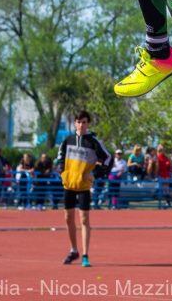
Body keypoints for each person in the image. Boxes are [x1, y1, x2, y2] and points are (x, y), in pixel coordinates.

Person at [56, 110, 111, 268]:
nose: (81, 125)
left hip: (84, 186)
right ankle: (74, 250)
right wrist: (62, 172)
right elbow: (60, 156)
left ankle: (85, 254)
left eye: (84, 122)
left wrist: (95, 173)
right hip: (69, 185)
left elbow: (108, 158)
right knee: (68, 218)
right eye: (79, 122)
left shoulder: (93, 142)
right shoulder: (68, 140)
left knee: (84, 219)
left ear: (88, 124)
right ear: (75, 123)